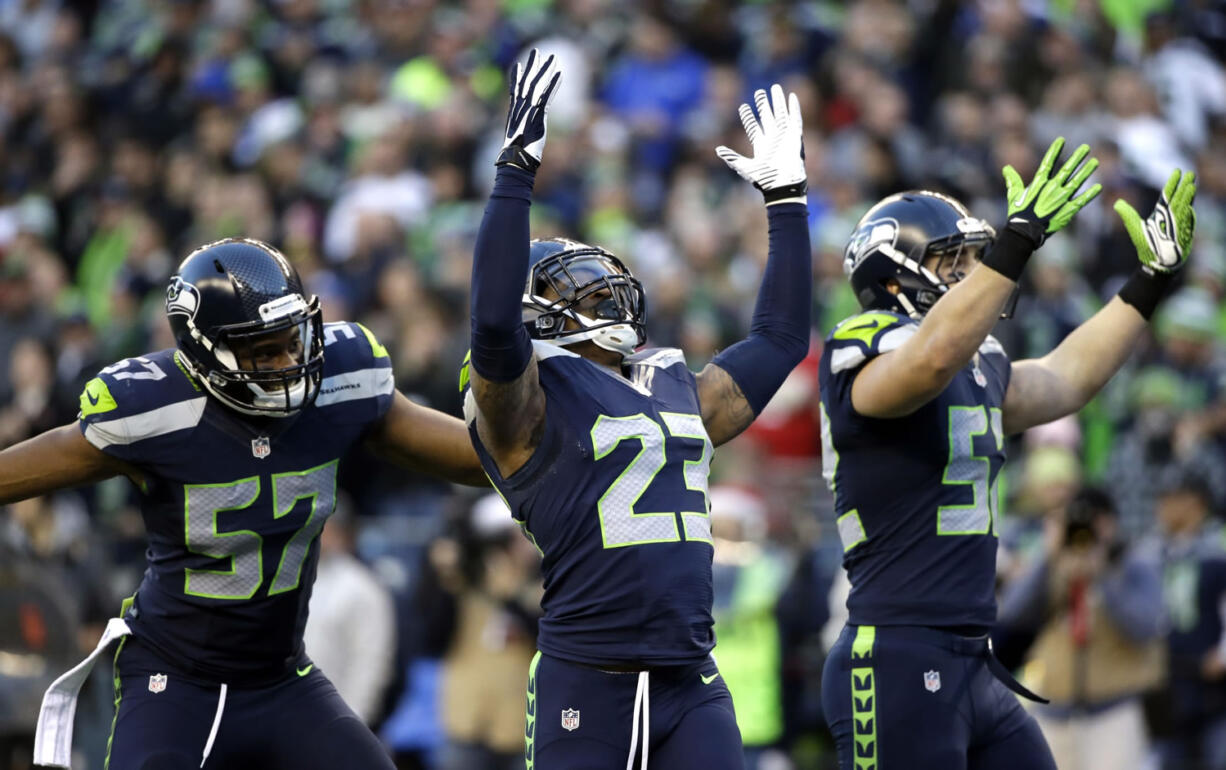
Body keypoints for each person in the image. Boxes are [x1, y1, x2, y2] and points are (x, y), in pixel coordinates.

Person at [0, 237, 487, 769]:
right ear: (204, 350)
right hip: (176, 680)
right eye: (263, 350)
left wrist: (566, 460)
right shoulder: (155, 410)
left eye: (292, 341)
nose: (287, 363)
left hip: (283, 678)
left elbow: (476, 459)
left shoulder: (342, 383)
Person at [463, 50, 810, 769]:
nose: (606, 299)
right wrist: (516, 172)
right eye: (583, 295)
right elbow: (493, 329)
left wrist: (787, 203)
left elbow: (780, 339)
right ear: (542, 318)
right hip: (588, 680)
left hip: (692, 679)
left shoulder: (673, 383)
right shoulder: (526, 400)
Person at [818, 137, 1197, 770]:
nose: (972, 274)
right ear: (892, 276)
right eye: (952, 262)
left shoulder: (980, 363)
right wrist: (1016, 245)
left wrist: (1149, 284)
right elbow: (929, 360)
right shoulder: (865, 345)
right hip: (896, 652)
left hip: (974, 656)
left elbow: (1068, 377)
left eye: (975, 258)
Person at [996, 486, 1165, 770]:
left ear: (1111, 522)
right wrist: (1047, 556)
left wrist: (1104, 576)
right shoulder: (1054, 566)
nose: (1083, 531)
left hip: (1113, 711)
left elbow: (1146, 627)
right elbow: (1012, 613)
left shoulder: (1133, 563)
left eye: (1093, 521)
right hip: (1055, 710)